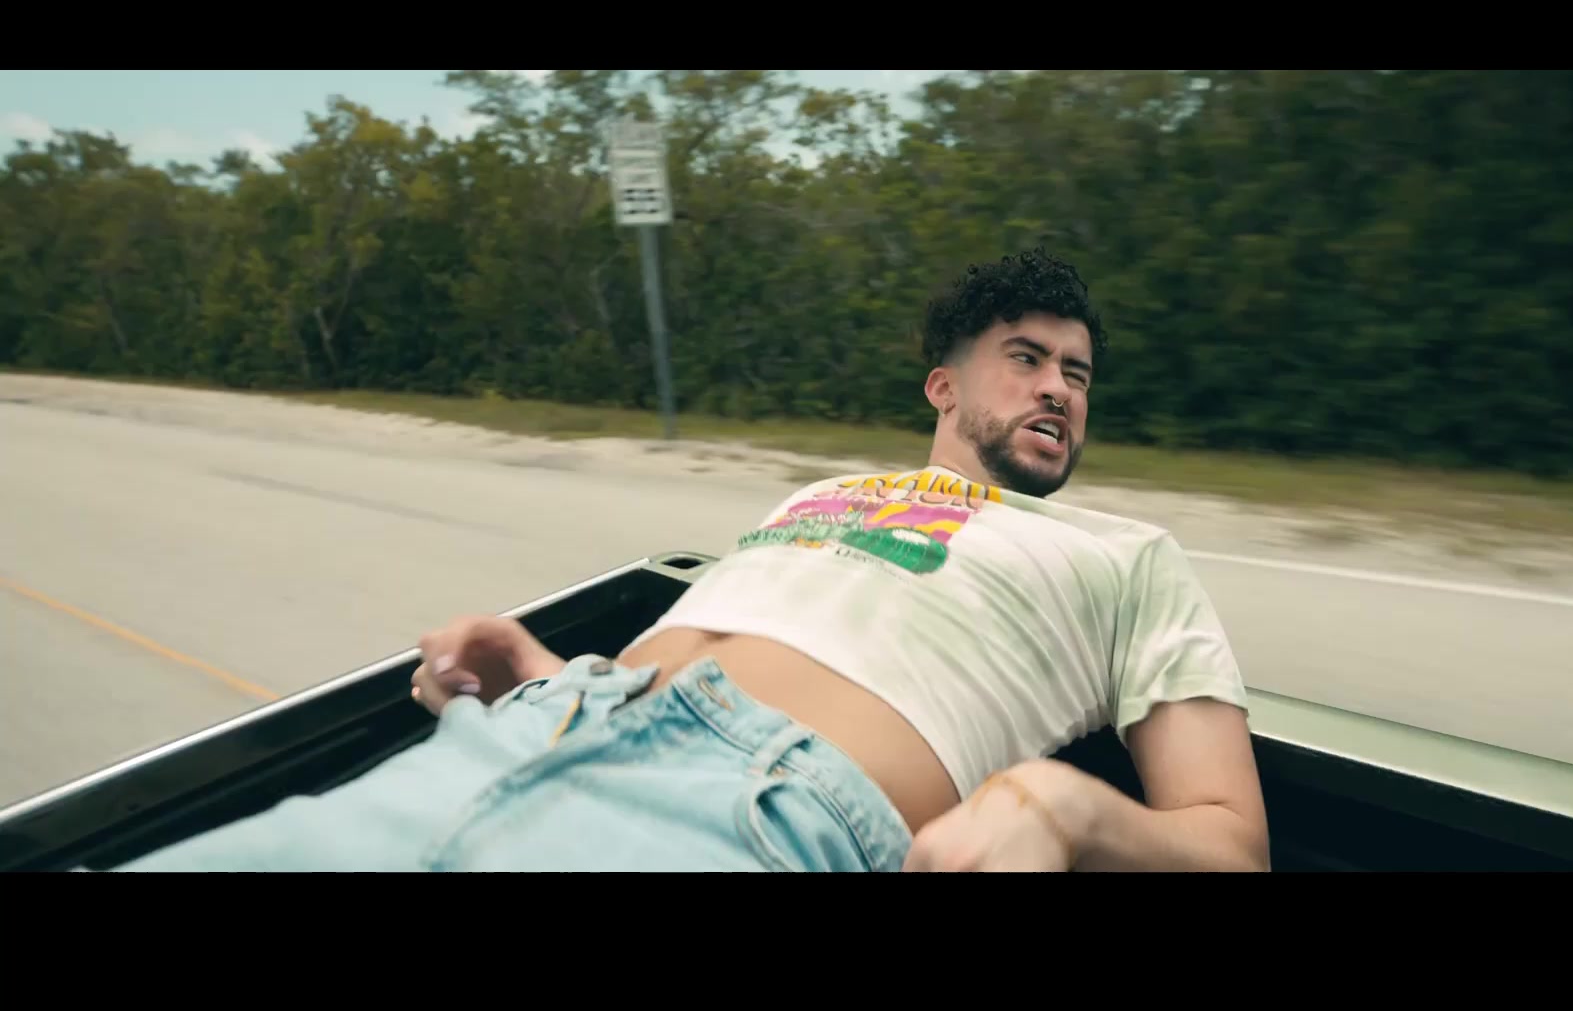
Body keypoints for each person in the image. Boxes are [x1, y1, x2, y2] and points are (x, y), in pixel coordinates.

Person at [113, 248, 1268, 872]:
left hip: (761, 805)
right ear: (943, 386)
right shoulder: (821, 496)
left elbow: (1229, 840)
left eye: (1077, 374)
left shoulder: (1129, 557)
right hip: (537, 728)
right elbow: (764, 638)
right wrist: (550, 673)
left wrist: (1065, 810)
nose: (1059, 388)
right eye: (1027, 359)